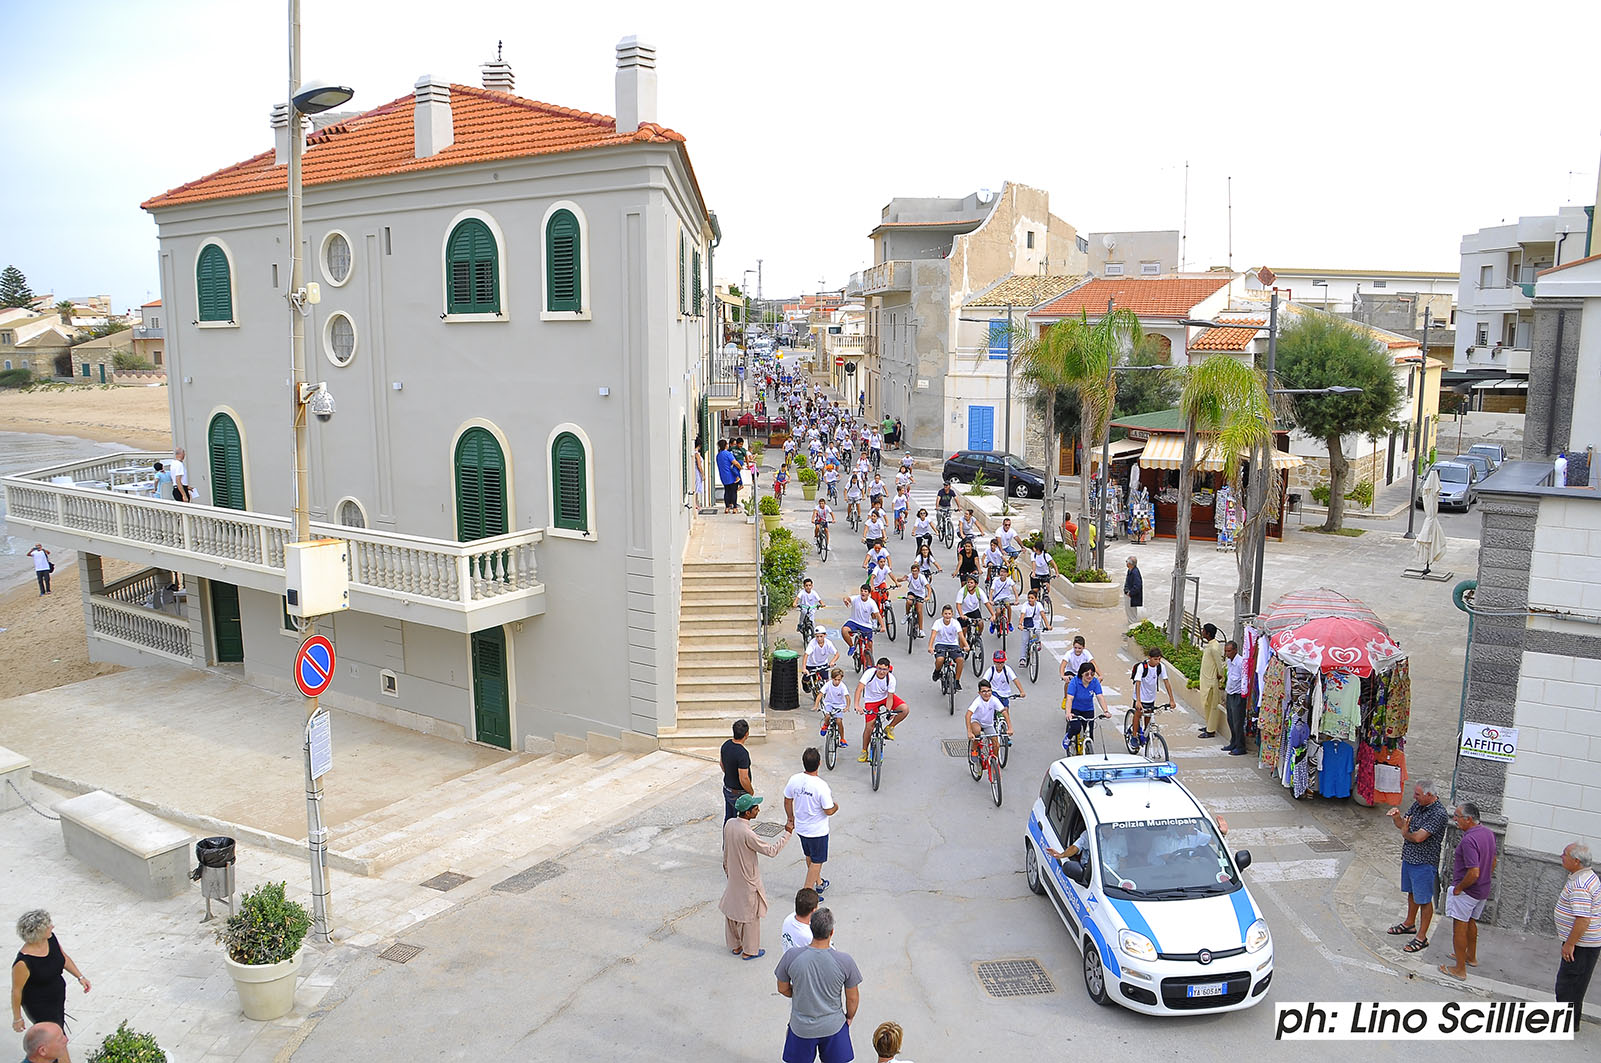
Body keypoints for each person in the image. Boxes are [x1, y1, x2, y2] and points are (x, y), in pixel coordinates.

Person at [774, 908, 861, 1063]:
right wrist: (849, 1016)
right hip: (833, 1026)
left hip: (801, 1027)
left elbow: (782, 988)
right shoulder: (845, 961)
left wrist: (799, 993)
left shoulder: (791, 956)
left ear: (811, 928)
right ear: (832, 932)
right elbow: (852, 999)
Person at [720, 795, 793, 961]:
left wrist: (727, 870)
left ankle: (735, 945)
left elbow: (726, 851)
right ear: (747, 813)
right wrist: (787, 833)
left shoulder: (730, 824)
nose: (758, 810)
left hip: (733, 875)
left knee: (732, 910)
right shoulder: (748, 834)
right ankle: (750, 950)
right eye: (755, 808)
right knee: (750, 916)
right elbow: (771, 851)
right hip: (748, 880)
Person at [1385, 779, 1449, 955]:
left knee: (1424, 900)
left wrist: (1405, 833)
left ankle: (1422, 937)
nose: (1414, 797)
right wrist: (1396, 817)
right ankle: (1409, 923)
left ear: (1429, 795)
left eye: (1417, 794)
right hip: (1410, 858)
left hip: (1424, 862)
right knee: (1412, 893)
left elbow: (1419, 837)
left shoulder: (1438, 814)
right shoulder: (1418, 805)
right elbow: (1403, 825)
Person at [11, 910, 88, 1046]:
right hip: (40, 1006)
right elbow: (16, 991)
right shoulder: (23, 962)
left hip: (57, 1000)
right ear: (38, 932)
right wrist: (17, 1018)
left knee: (57, 1038)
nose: (52, 927)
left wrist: (80, 976)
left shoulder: (50, 939)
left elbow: (62, 958)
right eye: (48, 925)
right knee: (56, 1040)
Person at [1439, 802, 1497, 981]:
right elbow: (1493, 861)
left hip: (1468, 890)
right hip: (1483, 888)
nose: (1454, 819)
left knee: (1459, 927)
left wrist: (1459, 888)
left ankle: (1459, 969)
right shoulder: (1488, 833)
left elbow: (1473, 872)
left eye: (1457, 816)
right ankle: (1471, 957)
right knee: (1471, 921)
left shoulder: (1468, 840)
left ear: (1468, 819)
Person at [1555, 841, 1600, 1026]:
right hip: (1586, 943)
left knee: (1568, 984)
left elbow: (1583, 919)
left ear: (1575, 861)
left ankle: (1565, 1023)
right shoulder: (1585, 876)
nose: (1561, 856)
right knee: (1576, 983)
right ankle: (1570, 1021)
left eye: (1564, 854)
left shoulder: (1581, 884)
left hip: (1581, 945)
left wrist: (1570, 944)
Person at [784, 749, 839, 897]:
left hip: (802, 829)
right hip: (817, 831)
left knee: (809, 856)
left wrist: (790, 818)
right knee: (817, 861)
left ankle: (819, 883)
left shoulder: (794, 779)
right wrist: (836, 807)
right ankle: (807, 893)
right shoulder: (821, 786)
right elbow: (828, 810)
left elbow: (787, 800)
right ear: (819, 763)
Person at [855, 657, 909, 760]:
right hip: (871, 700)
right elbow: (859, 689)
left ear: (888, 669)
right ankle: (864, 751)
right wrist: (857, 705)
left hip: (885, 698)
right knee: (869, 727)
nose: (881, 672)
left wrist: (888, 711)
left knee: (904, 709)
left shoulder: (891, 679)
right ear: (876, 667)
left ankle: (889, 727)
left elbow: (890, 697)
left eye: (884, 669)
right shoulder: (869, 674)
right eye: (879, 668)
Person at [1129, 647, 1176, 746]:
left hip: (1151, 697)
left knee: (1148, 716)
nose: (1158, 661)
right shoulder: (1142, 667)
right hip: (1140, 697)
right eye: (1155, 659)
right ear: (1149, 658)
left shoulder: (1160, 667)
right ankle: (1134, 736)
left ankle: (1146, 735)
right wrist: (1138, 700)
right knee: (1138, 715)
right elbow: (1138, 683)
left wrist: (1171, 700)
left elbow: (1166, 682)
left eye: (1159, 659)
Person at [965, 680, 1013, 762]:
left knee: (996, 745)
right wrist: (969, 732)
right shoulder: (977, 701)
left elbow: (1004, 712)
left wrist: (1010, 727)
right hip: (976, 721)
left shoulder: (994, 700)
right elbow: (968, 715)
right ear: (979, 693)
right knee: (977, 732)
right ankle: (974, 750)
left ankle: (993, 762)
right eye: (984, 691)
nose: (987, 694)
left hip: (988, 724)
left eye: (989, 691)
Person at [927, 604, 969, 687]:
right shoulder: (937, 623)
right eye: (945, 614)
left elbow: (961, 636)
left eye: (949, 614)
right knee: (940, 659)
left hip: (953, 644)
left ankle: (957, 681)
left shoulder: (955, 623)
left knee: (960, 660)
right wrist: (930, 647)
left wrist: (966, 645)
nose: (947, 616)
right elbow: (933, 635)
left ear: (952, 614)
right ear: (942, 614)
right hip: (940, 644)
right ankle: (937, 671)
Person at [720, 720, 754, 823]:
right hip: (738, 793)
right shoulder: (742, 754)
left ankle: (727, 837)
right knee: (740, 822)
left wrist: (730, 774)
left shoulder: (726, 745)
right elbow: (743, 778)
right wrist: (750, 791)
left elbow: (722, 764)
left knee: (729, 818)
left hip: (727, 789)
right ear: (747, 734)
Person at [1064, 660, 1106, 743]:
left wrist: (1106, 711)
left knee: (1090, 734)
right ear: (1081, 673)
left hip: (1088, 709)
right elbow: (1069, 699)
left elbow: (1100, 696)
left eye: (1092, 674)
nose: (1090, 676)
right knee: (1076, 728)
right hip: (1075, 709)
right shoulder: (1074, 682)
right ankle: (1068, 738)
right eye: (1087, 674)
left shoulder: (1095, 682)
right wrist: (1068, 713)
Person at [1198, 624, 1226, 739]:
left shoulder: (1214, 647)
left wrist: (1221, 678)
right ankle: (1208, 725)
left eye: (1204, 631)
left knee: (1213, 706)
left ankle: (1211, 730)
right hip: (1205, 680)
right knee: (1207, 705)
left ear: (1208, 634)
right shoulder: (1210, 646)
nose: (1202, 632)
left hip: (1211, 682)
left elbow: (1219, 665)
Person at [1222, 640, 1250, 756]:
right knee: (1231, 720)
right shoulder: (1229, 661)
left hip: (1238, 695)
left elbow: (1244, 678)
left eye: (1229, 651)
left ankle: (1240, 746)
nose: (1227, 654)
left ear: (1235, 650)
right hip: (1230, 693)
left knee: (1238, 721)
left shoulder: (1241, 662)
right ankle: (1233, 742)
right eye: (1226, 651)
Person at [815, 668, 850, 748]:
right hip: (829, 704)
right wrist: (816, 705)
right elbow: (820, 694)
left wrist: (847, 707)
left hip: (839, 705)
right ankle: (825, 725)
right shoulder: (828, 684)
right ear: (832, 678)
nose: (837, 682)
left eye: (839, 680)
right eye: (835, 679)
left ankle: (842, 739)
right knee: (827, 716)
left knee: (839, 721)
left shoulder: (842, 686)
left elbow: (847, 697)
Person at [716, 439, 741, 513]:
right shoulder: (728, 454)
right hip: (731, 475)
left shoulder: (718, 455)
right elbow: (735, 462)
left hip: (723, 476)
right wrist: (740, 467)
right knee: (733, 491)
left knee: (727, 491)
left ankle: (727, 507)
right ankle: (734, 508)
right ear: (725, 445)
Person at [1122, 556, 1143, 625]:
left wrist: (1130, 593)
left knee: (1132, 614)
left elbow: (1137, 586)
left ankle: (1132, 627)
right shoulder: (1130, 570)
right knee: (1129, 612)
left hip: (1132, 597)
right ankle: (1131, 626)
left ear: (1130, 564)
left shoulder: (1135, 572)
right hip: (1129, 594)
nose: (1126, 563)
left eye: (1127, 562)